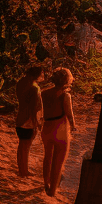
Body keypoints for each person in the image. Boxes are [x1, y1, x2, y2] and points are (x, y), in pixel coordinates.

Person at [41, 68, 76, 196]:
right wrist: (73, 125)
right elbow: (69, 113)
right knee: (58, 161)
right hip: (60, 129)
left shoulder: (44, 93)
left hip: (47, 128)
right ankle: (52, 190)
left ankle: (46, 183)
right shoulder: (65, 95)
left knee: (48, 157)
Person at [15, 65, 43, 177]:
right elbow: (33, 107)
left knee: (22, 146)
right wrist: (36, 123)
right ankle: (24, 171)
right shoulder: (33, 88)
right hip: (28, 120)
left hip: (20, 117)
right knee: (25, 147)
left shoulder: (21, 83)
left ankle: (22, 170)